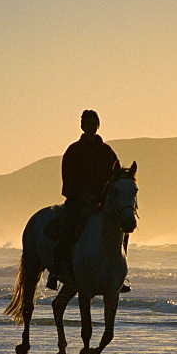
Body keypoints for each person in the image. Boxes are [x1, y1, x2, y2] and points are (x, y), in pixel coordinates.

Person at [46, 110, 128, 291]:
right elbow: (68, 178)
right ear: (82, 126)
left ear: (98, 126)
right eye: (87, 123)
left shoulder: (107, 152)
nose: (90, 127)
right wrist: (82, 195)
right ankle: (56, 271)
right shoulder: (73, 150)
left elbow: (115, 176)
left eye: (93, 123)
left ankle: (119, 275)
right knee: (69, 229)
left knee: (121, 231)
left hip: (101, 202)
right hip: (78, 201)